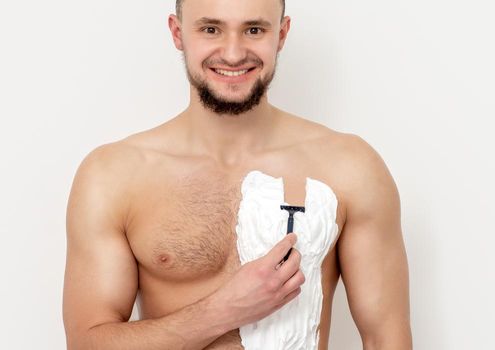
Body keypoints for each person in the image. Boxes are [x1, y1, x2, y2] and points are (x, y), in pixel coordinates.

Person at [61, 0, 412, 349]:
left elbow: (385, 338)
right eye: (211, 29)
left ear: (282, 34)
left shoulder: (349, 168)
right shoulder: (114, 176)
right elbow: (87, 344)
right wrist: (224, 310)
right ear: (178, 32)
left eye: (254, 30)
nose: (232, 54)